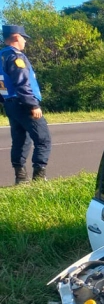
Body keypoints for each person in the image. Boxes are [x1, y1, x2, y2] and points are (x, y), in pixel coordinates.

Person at [0, 24, 52, 184]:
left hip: (10, 103)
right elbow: (22, 83)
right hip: (23, 103)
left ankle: (21, 178)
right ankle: (39, 179)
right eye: (24, 38)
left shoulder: (1, 55)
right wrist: (33, 105)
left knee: (21, 140)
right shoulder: (16, 57)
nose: (25, 42)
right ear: (16, 37)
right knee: (43, 139)